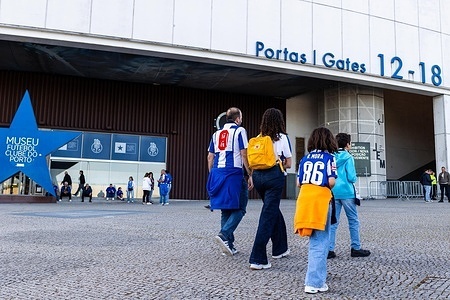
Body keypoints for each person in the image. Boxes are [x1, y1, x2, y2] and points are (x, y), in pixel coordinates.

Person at [293, 127, 338, 294]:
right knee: (320, 241)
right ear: (329, 141)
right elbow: (332, 181)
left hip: (304, 198)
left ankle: (317, 278)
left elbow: (298, 183)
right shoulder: (330, 158)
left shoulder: (304, 159)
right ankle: (314, 282)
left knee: (313, 239)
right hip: (320, 199)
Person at [206, 107, 253, 257]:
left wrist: (212, 174)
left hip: (218, 172)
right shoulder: (240, 131)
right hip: (234, 172)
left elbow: (210, 157)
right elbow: (243, 153)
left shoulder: (216, 134)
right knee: (240, 207)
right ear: (237, 118)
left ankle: (228, 245)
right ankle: (224, 235)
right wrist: (250, 173)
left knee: (226, 209)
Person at [248, 108, 292, 270]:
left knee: (271, 210)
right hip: (274, 176)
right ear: (280, 121)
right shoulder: (282, 138)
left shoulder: (258, 138)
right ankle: (258, 258)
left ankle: (280, 248)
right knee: (268, 214)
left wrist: (251, 176)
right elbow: (289, 163)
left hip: (258, 177)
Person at [328, 133, 371, 260]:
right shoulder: (348, 157)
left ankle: (330, 250)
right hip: (347, 192)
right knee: (353, 220)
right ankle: (355, 248)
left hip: (334, 192)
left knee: (333, 221)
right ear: (347, 144)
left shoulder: (331, 156)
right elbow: (351, 177)